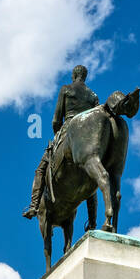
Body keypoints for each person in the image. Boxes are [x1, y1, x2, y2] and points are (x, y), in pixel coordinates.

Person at [23, 65, 100, 219]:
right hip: (87, 135)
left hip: (68, 127)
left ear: (74, 75)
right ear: (84, 76)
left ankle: (34, 205)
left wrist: (57, 134)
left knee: (40, 169)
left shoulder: (66, 89)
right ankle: (92, 220)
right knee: (94, 173)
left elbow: (56, 119)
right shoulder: (93, 95)